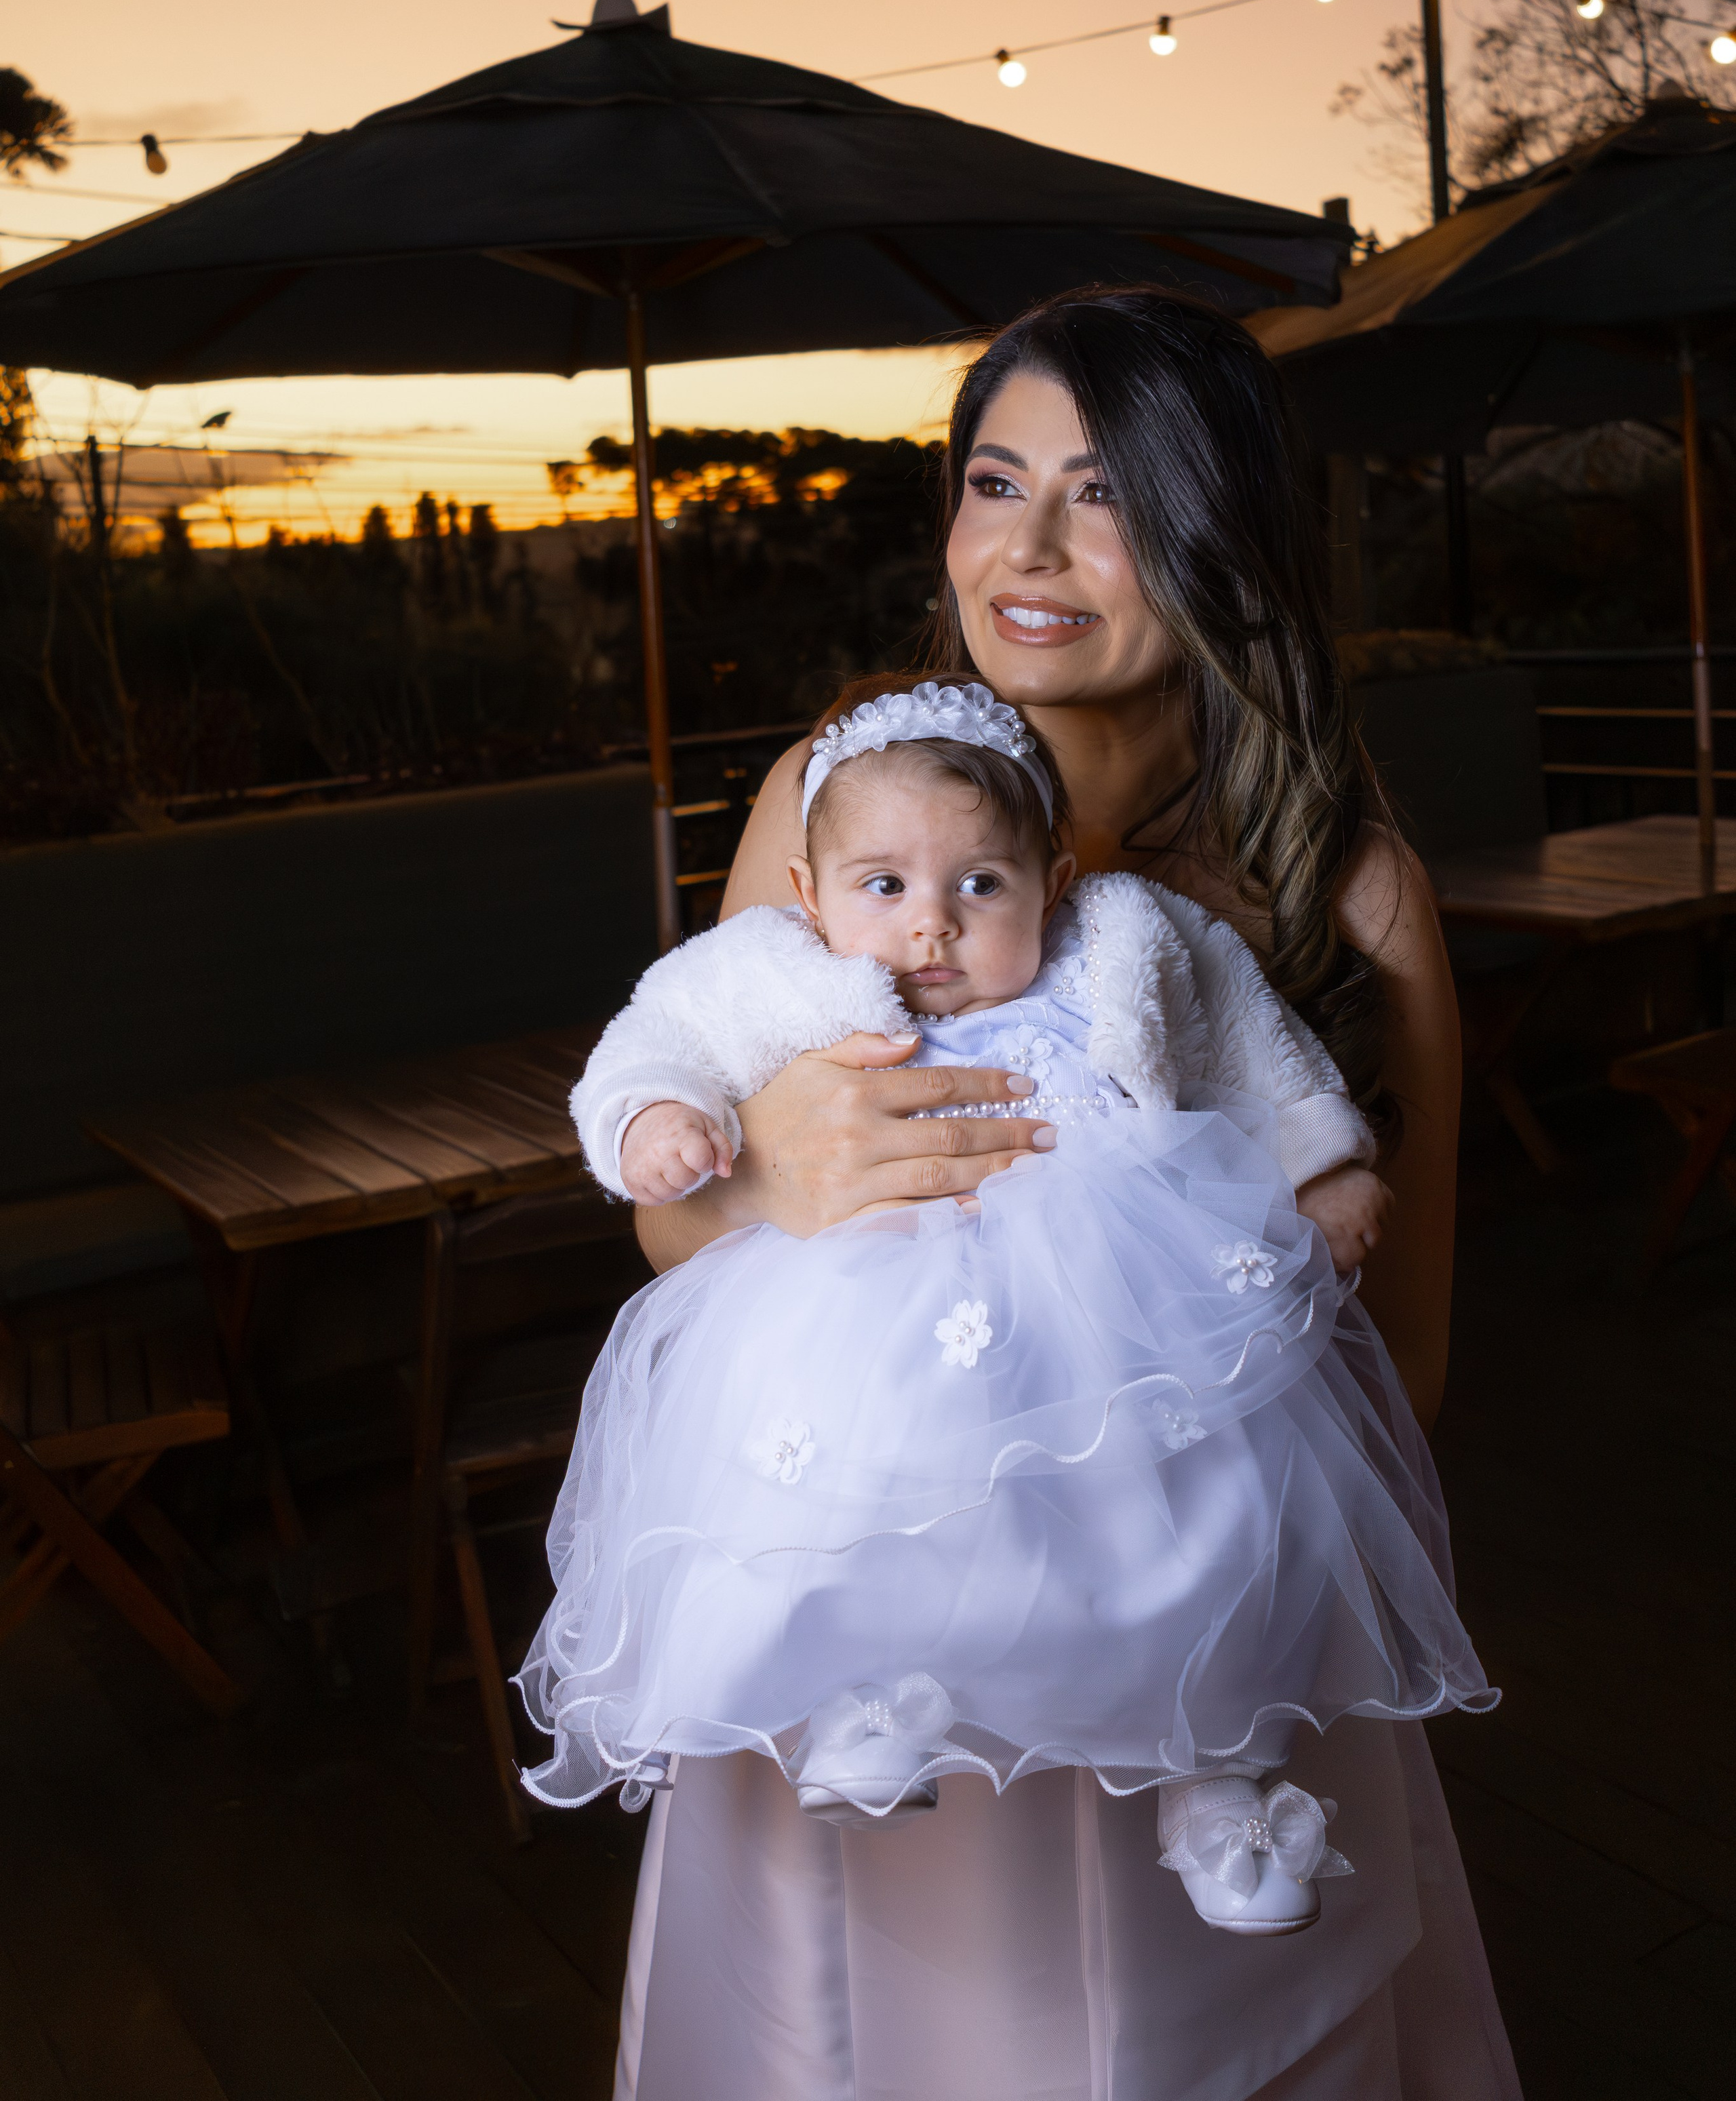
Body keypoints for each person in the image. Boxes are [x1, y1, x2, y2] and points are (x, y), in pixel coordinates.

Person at [600, 289, 1518, 2100]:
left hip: (1215, 1645)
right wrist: (762, 1177)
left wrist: (1148, 1505)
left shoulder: (1340, 889)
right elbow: (670, 1233)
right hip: (878, 1657)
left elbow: (1403, 1380)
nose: (1024, 550)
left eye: (1098, 497)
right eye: (993, 480)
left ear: (1214, 535)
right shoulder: (838, 809)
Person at [521, 673, 1494, 1948]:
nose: (930, 929)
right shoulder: (776, 966)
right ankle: (869, 1698)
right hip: (871, 1317)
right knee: (861, 1490)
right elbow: (659, 1033)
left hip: (1124, 1318)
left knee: (1211, 1523)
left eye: (980, 887)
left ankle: (1222, 1789)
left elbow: (1252, 1046)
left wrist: (1325, 1157)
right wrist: (657, 1118)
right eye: (884, 890)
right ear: (810, 898)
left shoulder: (1129, 938)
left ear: (1056, 878)